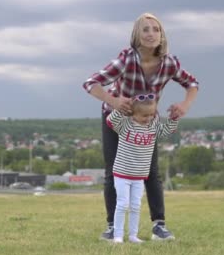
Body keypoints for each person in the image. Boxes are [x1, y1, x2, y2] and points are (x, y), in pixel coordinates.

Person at [82, 12, 199, 241]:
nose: (151, 34)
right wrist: (114, 101)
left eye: (156, 29)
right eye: (145, 29)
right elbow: (91, 83)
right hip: (117, 121)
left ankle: (159, 226)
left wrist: (184, 105)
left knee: (151, 172)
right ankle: (112, 227)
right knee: (113, 172)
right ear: (136, 35)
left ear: (162, 35)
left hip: (146, 122)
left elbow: (192, 84)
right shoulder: (126, 60)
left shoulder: (169, 63)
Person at [106, 94, 179, 243]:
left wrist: (174, 118)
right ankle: (118, 236)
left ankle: (133, 236)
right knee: (122, 204)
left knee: (135, 206)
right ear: (134, 113)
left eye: (152, 114)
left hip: (139, 175)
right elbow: (110, 121)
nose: (149, 118)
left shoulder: (152, 127)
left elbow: (166, 130)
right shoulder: (126, 125)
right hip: (122, 173)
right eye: (145, 115)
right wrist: (120, 109)